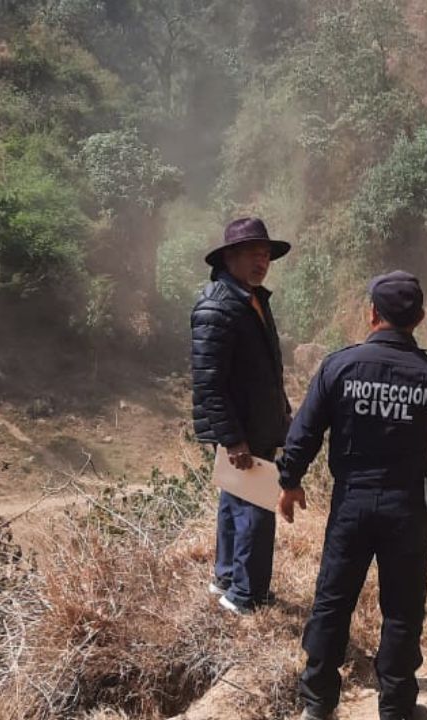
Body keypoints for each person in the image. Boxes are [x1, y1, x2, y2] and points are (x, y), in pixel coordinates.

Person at [276, 271, 427, 720]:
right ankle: (395, 708)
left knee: (333, 600)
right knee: (402, 608)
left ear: (371, 313)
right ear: (420, 318)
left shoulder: (339, 366)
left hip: (351, 504)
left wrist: (290, 481)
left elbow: (305, 431)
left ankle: (317, 705)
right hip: (409, 510)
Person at [191, 217, 292, 615]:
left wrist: (281, 407)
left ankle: (228, 579)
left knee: (236, 501)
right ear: (230, 257)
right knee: (255, 509)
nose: (261, 261)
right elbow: (209, 383)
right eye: (253, 253)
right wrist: (232, 438)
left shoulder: (250, 299)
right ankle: (247, 595)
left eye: (266, 254)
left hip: (257, 424)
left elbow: (263, 367)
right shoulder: (217, 306)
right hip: (243, 429)